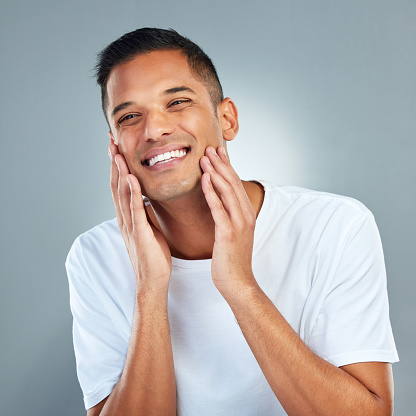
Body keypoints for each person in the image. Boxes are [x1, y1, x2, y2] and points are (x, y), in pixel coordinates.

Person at [66, 28, 398, 416]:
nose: (154, 130)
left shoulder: (336, 226)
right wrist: (149, 290)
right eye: (130, 116)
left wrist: (239, 285)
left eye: (177, 102)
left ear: (227, 119)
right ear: (114, 144)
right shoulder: (93, 257)